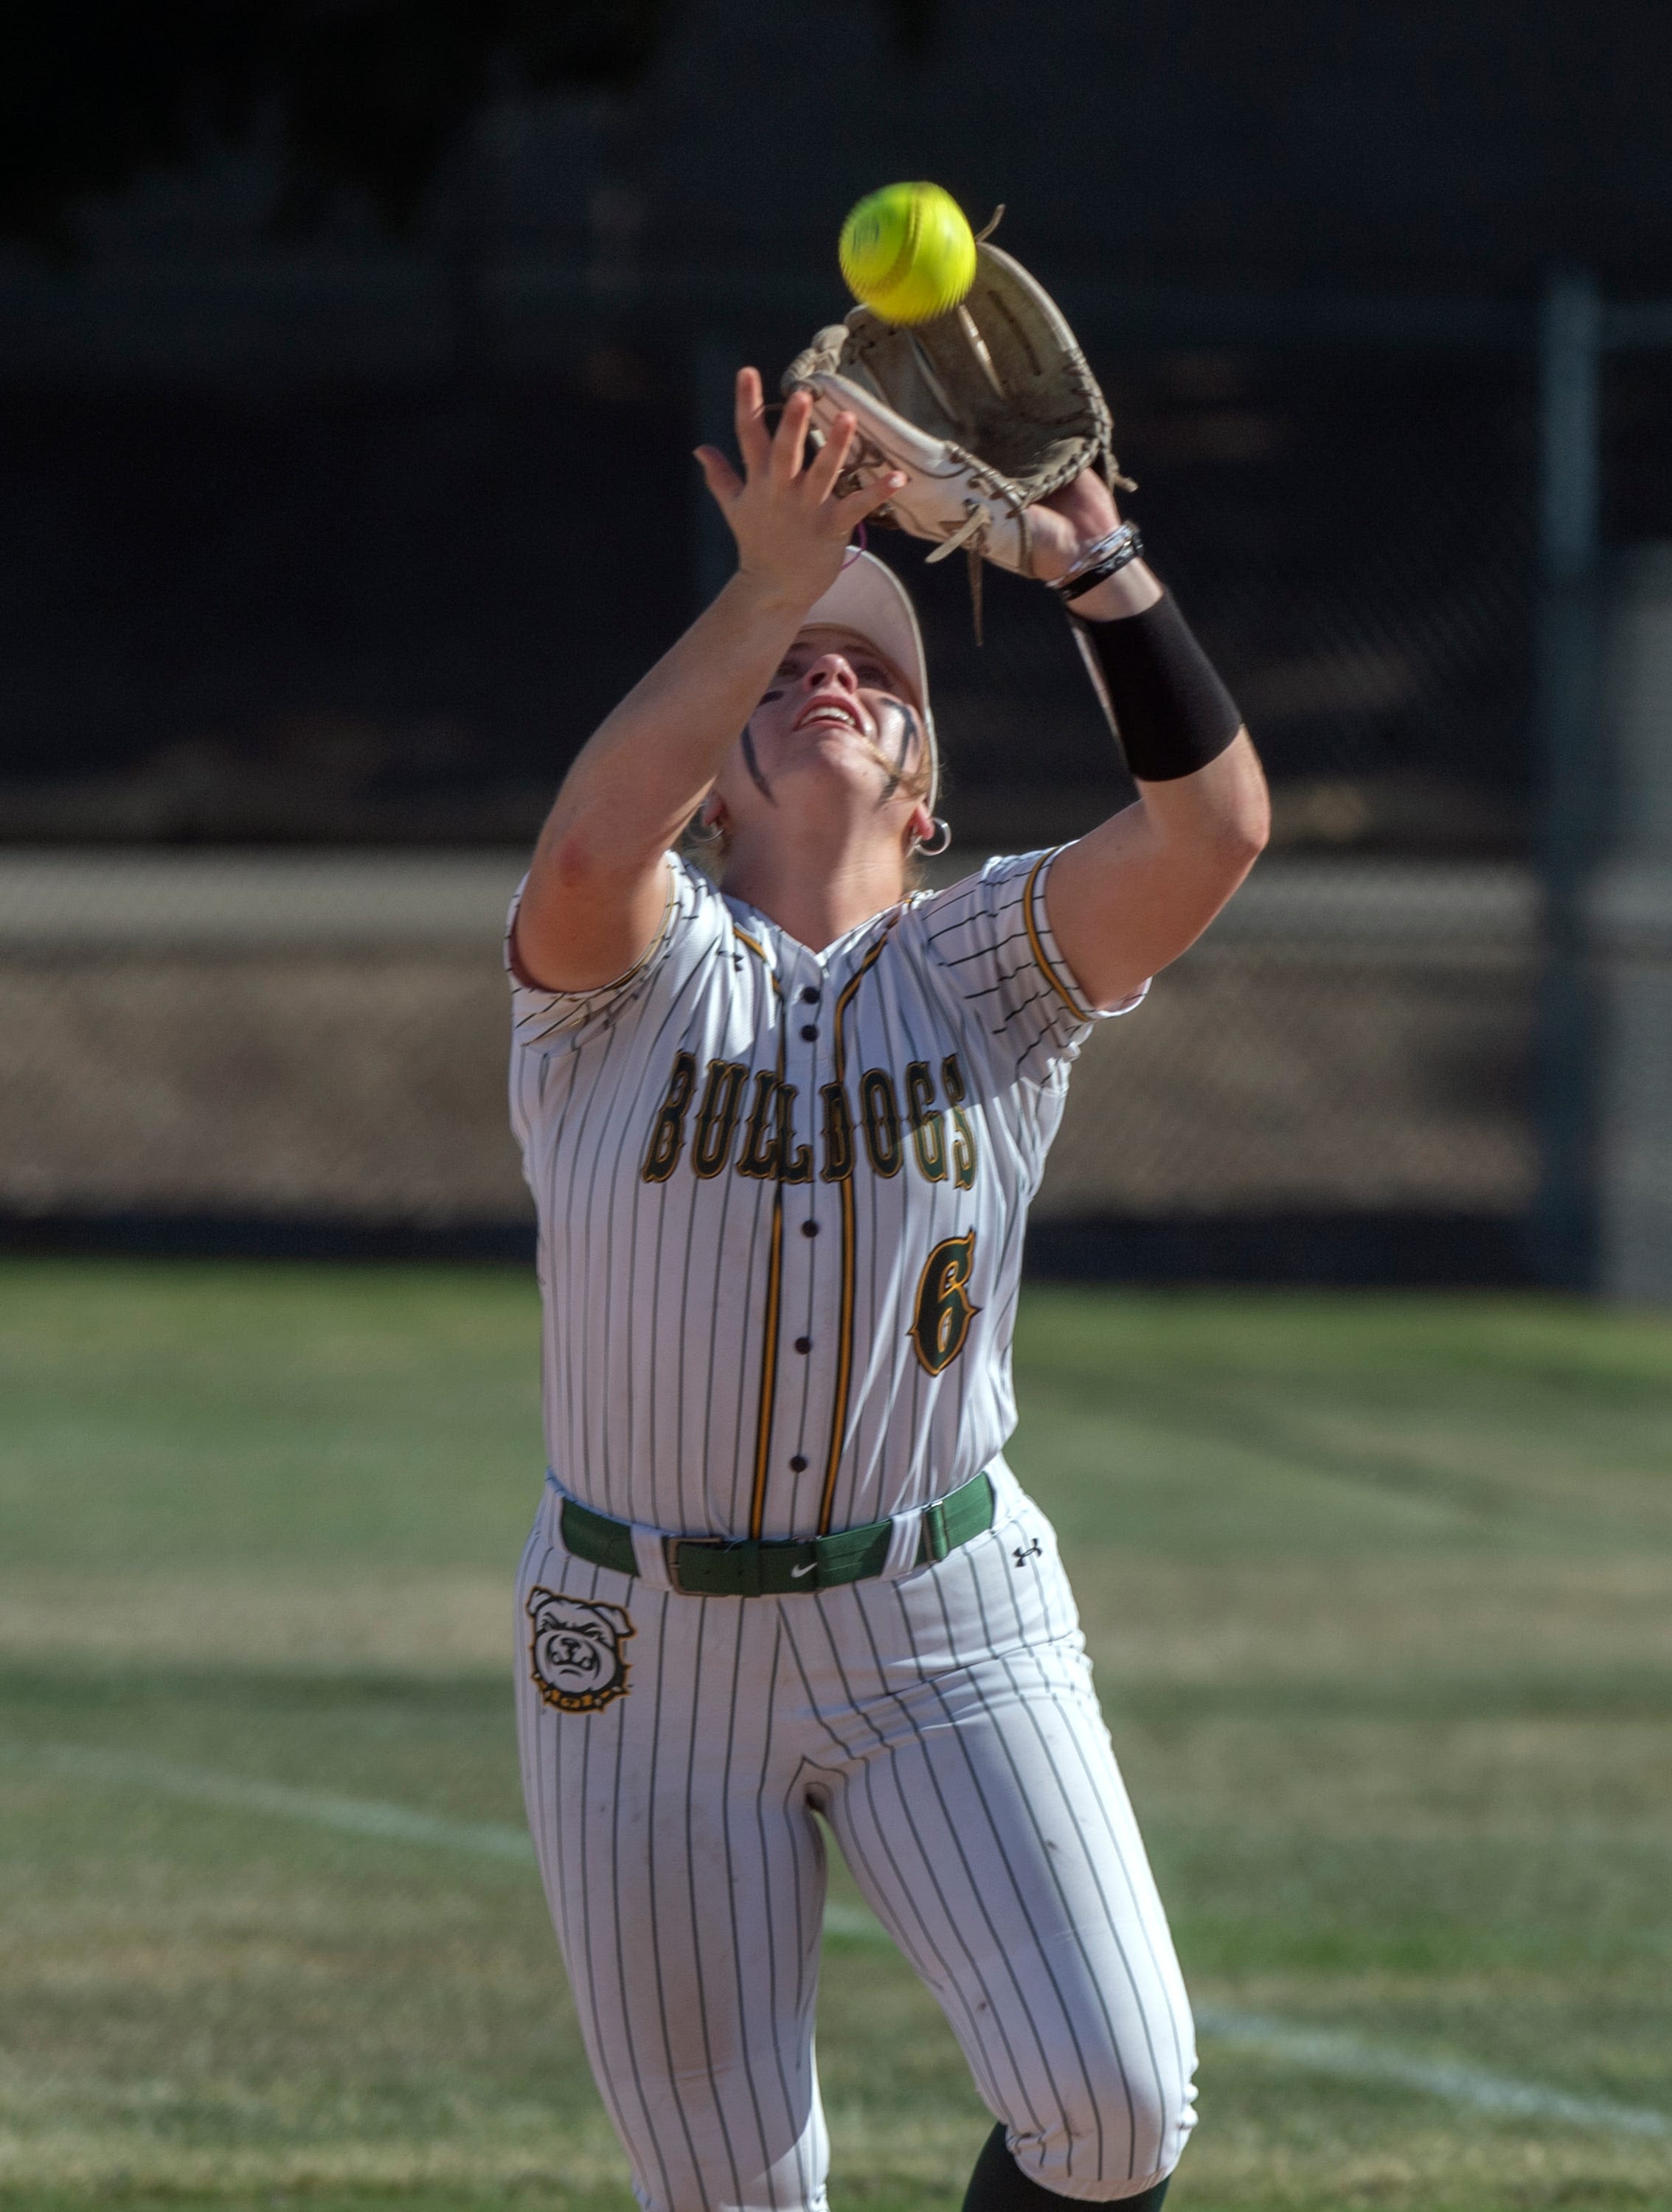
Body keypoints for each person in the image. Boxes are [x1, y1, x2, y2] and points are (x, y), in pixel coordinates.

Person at [508, 369, 1268, 2212]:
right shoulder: (623, 976)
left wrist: (1104, 572)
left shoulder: (992, 967)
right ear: (710, 782)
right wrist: (772, 583)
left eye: (879, 681)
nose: (832, 681)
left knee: (1115, 2103)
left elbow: (1211, 833)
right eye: (782, 680)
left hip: (944, 1622)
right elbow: (594, 848)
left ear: (930, 798)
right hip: (640, 1648)